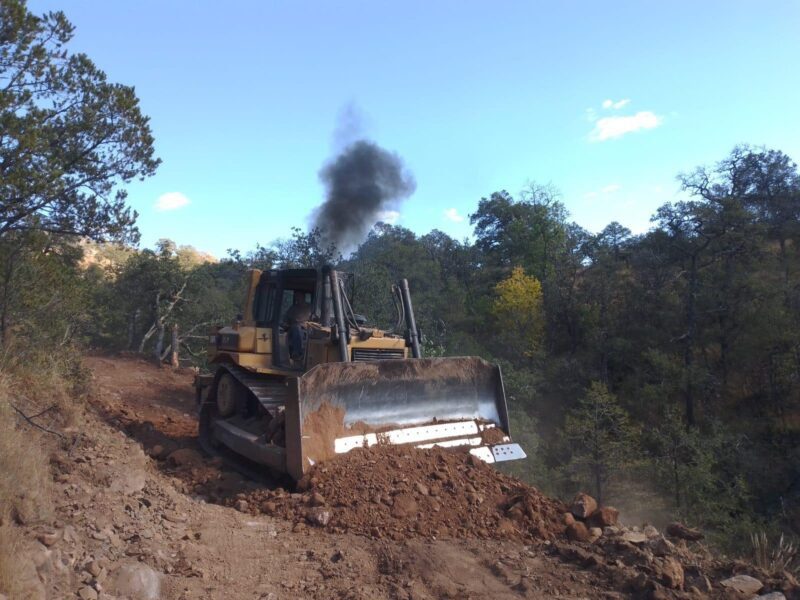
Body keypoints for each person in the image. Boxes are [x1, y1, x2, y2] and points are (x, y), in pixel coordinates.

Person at [284, 290, 311, 361]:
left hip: (307, 329)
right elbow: (286, 319)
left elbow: (316, 319)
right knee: (296, 328)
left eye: (299, 296)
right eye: (296, 297)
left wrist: (305, 323)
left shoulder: (310, 308)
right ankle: (297, 353)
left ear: (303, 297)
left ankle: (298, 353)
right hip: (294, 328)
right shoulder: (293, 308)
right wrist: (287, 323)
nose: (297, 298)